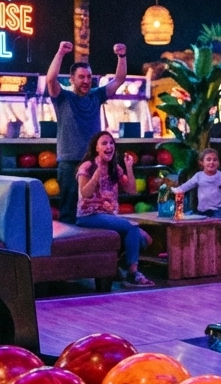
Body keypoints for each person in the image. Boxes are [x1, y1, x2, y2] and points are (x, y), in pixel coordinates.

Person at [46, 40, 130, 224]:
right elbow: (50, 80)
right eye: (81, 77)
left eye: (89, 77)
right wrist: (60, 53)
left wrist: (122, 56)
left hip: (93, 162)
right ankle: (69, 241)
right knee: (69, 209)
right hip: (70, 162)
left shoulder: (96, 95)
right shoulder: (63, 97)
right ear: (72, 79)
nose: (86, 81)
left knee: (94, 207)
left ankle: (92, 240)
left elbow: (119, 79)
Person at [75, 131, 155, 286]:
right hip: (89, 215)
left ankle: (118, 265)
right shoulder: (87, 166)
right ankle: (133, 272)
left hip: (109, 215)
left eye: (111, 143)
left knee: (145, 239)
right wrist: (97, 173)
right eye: (104, 143)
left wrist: (129, 167)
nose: (109, 146)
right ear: (96, 148)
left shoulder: (115, 168)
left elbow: (132, 190)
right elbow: (85, 193)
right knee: (132, 227)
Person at [175, 148, 221, 219]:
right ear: (202, 162)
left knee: (216, 222)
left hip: (217, 210)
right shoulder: (198, 176)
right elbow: (188, 185)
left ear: (218, 163)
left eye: (215, 160)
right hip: (201, 211)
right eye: (208, 160)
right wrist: (177, 190)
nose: (212, 162)